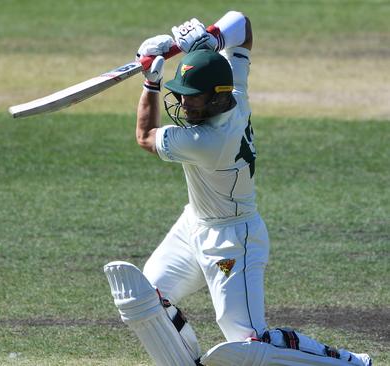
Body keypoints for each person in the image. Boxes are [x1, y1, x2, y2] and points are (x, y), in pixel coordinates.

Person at [103, 11, 372, 366]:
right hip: (193, 225)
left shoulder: (208, 140)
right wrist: (210, 40)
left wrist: (151, 84)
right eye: (181, 95)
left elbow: (144, 136)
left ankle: (348, 362)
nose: (183, 104)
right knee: (147, 300)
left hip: (233, 240)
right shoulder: (235, 92)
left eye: (192, 98)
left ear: (215, 98)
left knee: (248, 341)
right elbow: (242, 26)